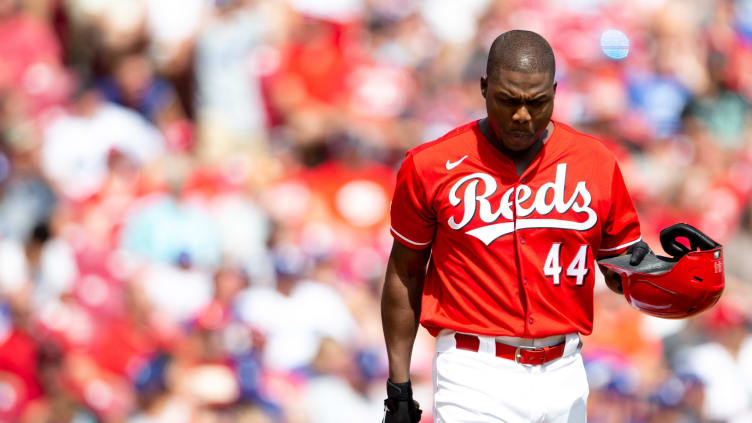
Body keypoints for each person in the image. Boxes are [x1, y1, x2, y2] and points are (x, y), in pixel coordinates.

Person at [381, 30, 650, 423]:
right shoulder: (431, 165)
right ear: (484, 87)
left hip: (566, 370)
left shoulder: (595, 162)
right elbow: (405, 272)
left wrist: (663, 273)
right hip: (474, 370)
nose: (523, 115)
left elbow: (619, 266)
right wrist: (398, 387)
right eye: (508, 100)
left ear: (555, 92)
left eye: (538, 102)